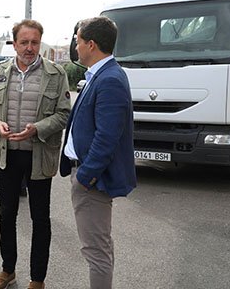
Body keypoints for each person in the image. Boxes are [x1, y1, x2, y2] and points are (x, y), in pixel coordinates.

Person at [0, 19, 71, 289]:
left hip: (39, 156)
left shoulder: (56, 73)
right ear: (14, 43)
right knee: (6, 215)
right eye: (24, 42)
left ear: (40, 43)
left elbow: (64, 113)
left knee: (40, 219)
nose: (30, 48)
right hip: (7, 156)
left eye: (35, 42)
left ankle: (37, 279)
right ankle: (8, 270)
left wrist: (37, 129)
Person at [60, 16, 137, 289]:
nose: (76, 47)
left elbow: (107, 138)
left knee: (95, 250)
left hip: (91, 181)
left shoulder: (110, 79)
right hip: (86, 175)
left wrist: (86, 177)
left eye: (78, 41)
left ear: (91, 44)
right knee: (100, 245)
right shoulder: (101, 74)